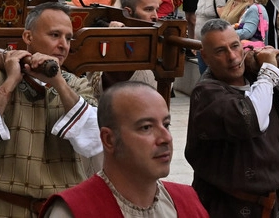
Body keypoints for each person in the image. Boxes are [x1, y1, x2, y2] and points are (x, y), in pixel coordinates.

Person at [0, 3, 101, 217]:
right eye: (55, 35)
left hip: (56, 210)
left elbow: (94, 140)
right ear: (28, 37)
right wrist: (12, 80)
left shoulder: (76, 85)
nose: (63, 45)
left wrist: (59, 83)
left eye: (68, 38)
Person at [187, 19, 279, 218]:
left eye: (235, 46)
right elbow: (251, 120)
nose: (232, 57)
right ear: (205, 56)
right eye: (220, 51)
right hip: (224, 205)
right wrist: (268, 74)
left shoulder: (257, 79)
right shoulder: (206, 92)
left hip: (268, 202)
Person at [41, 81, 208, 218]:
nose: (166, 138)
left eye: (166, 124)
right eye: (146, 127)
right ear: (108, 139)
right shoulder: (74, 211)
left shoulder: (188, 201)